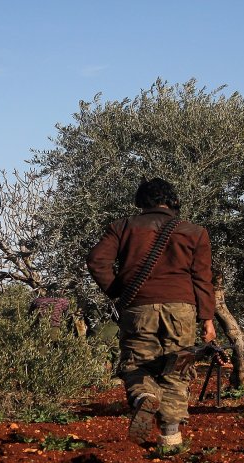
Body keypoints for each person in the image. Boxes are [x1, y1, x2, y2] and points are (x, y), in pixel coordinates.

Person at [87, 177, 215, 448]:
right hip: (182, 310)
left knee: (136, 364)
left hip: (138, 307)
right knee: (178, 368)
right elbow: (203, 279)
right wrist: (207, 318)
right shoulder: (195, 232)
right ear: (174, 202)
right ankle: (170, 437)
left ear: (140, 202)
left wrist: (118, 293)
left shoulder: (121, 227)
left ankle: (144, 395)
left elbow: (97, 261)